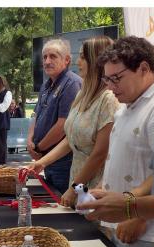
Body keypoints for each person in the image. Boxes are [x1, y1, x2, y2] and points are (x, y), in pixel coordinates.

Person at [78, 36, 154, 247]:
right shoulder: (126, 106)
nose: (111, 87)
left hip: (147, 231)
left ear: (144, 68)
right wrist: (114, 195)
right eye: (107, 80)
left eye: (116, 78)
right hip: (124, 220)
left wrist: (137, 213)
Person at [28, 35, 119, 204]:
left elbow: (99, 154)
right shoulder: (82, 95)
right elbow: (70, 139)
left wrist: (74, 188)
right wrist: (41, 162)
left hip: (93, 188)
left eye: (83, 57)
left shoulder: (108, 100)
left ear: (97, 60)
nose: (78, 62)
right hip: (76, 179)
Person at [27, 38, 82, 193]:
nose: (47, 61)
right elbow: (36, 115)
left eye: (53, 56)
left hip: (63, 162)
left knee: (63, 208)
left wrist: (39, 147)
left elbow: (63, 125)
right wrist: (30, 140)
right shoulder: (46, 85)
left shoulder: (71, 84)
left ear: (67, 60)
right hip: (46, 158)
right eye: (44, 57)